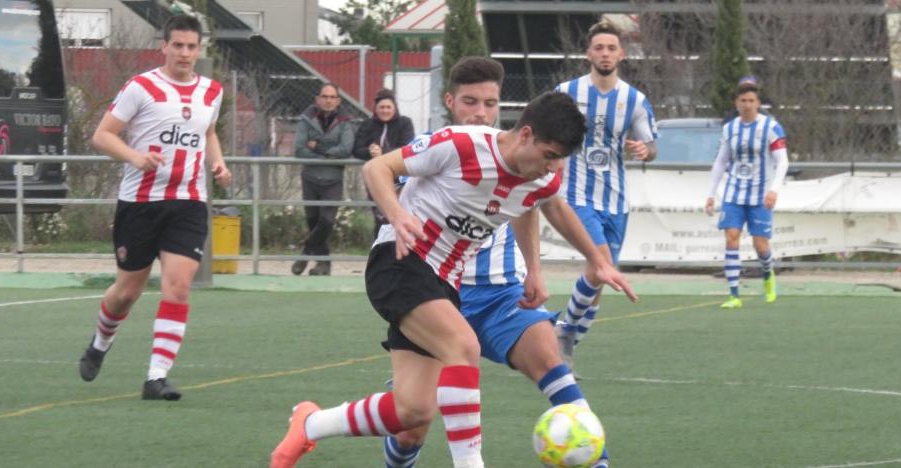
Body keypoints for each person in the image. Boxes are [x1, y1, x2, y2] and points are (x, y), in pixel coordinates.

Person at [269, 91, 635, 468]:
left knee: (412, 411)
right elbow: (376, 169)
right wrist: (396, 215)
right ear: (526, 134)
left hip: (444, 284)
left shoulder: (537, 178)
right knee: (464, 346)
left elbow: (548, 205)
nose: (553, 168)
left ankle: (311, 424)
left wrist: (592, 262)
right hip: (400, 259)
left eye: (560, 160)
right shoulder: (459, 145)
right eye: (549, 155)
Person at [379, 57, 615, 468]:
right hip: (437, 292)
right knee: (411, 426)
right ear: (451, 101)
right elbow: (388, 183)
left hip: (500, 291)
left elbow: (536, 202)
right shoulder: (445, 149)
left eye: (491, 103)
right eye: (471, 102)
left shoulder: (520, 156)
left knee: (553, 366)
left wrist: (537, 270)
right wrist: (398, 221)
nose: (481, 113)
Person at [77, 15, 232, 401]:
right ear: (163, 46)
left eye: (191, 46)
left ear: (199, 49)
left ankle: (156, 377)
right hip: (141, 203)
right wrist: (134, 156)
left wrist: (218, 162)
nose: (184, 53)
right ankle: (99, 343)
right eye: (177, 45)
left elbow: (208, 132)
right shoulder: (141, 87)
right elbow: (102, 135)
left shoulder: (212, 91)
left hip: (189, 202)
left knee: (178, 286)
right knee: (126, 291)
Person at [554, 21, 658, 372]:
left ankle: (561, 353)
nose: (605, 54)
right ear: (588, 53)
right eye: (599, 47)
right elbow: (545, 132)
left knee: (599, 278)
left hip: (616, 201)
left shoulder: (634, 99)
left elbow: (652, 145)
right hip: (577, 195)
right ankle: (565, 331)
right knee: (599, 265)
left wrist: (646, 149)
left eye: (611, 48)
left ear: (621, 54)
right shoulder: (566, 92)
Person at [705, 83, 789, 309]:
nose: (747, 105)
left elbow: (782, 161)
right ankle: (734, 295)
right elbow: (721, 161)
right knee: (731, 238)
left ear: (758, 104)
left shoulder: (771, 127)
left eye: (751, 101)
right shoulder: (729, 129)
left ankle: (768, 276)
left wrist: (774, 190)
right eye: (743, 101)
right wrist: (711, 194)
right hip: (734, 193)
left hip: (761, 196)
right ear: (737, 103)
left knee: (760, 246)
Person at [291, 82, 355, 276]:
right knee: (313, 221)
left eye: (332, 97)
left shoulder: (345, 121)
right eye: (324, 96)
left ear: (338, 101)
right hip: (310, 177)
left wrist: (317, 148)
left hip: (333, 179)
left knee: (326, 222)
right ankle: (323, 264)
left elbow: (346, 149)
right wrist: (327, 156)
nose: (328, 100)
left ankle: (305, 253)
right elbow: (299, 149)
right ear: (317, 99)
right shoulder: (306, 119)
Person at [353, 88, 415, 238]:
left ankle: (400, 248)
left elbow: (407, 148)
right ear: (376, 108)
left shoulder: (405, 123)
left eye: (388, 107)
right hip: (376, 178)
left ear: (394, 108)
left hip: (399, 178)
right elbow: (356, 149)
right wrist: (370, 151)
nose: (385, 110)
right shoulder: (368, 124)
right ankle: (380, 249)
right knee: (381, 217)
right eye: (381, 107)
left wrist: (384, 152)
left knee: (398, 215)